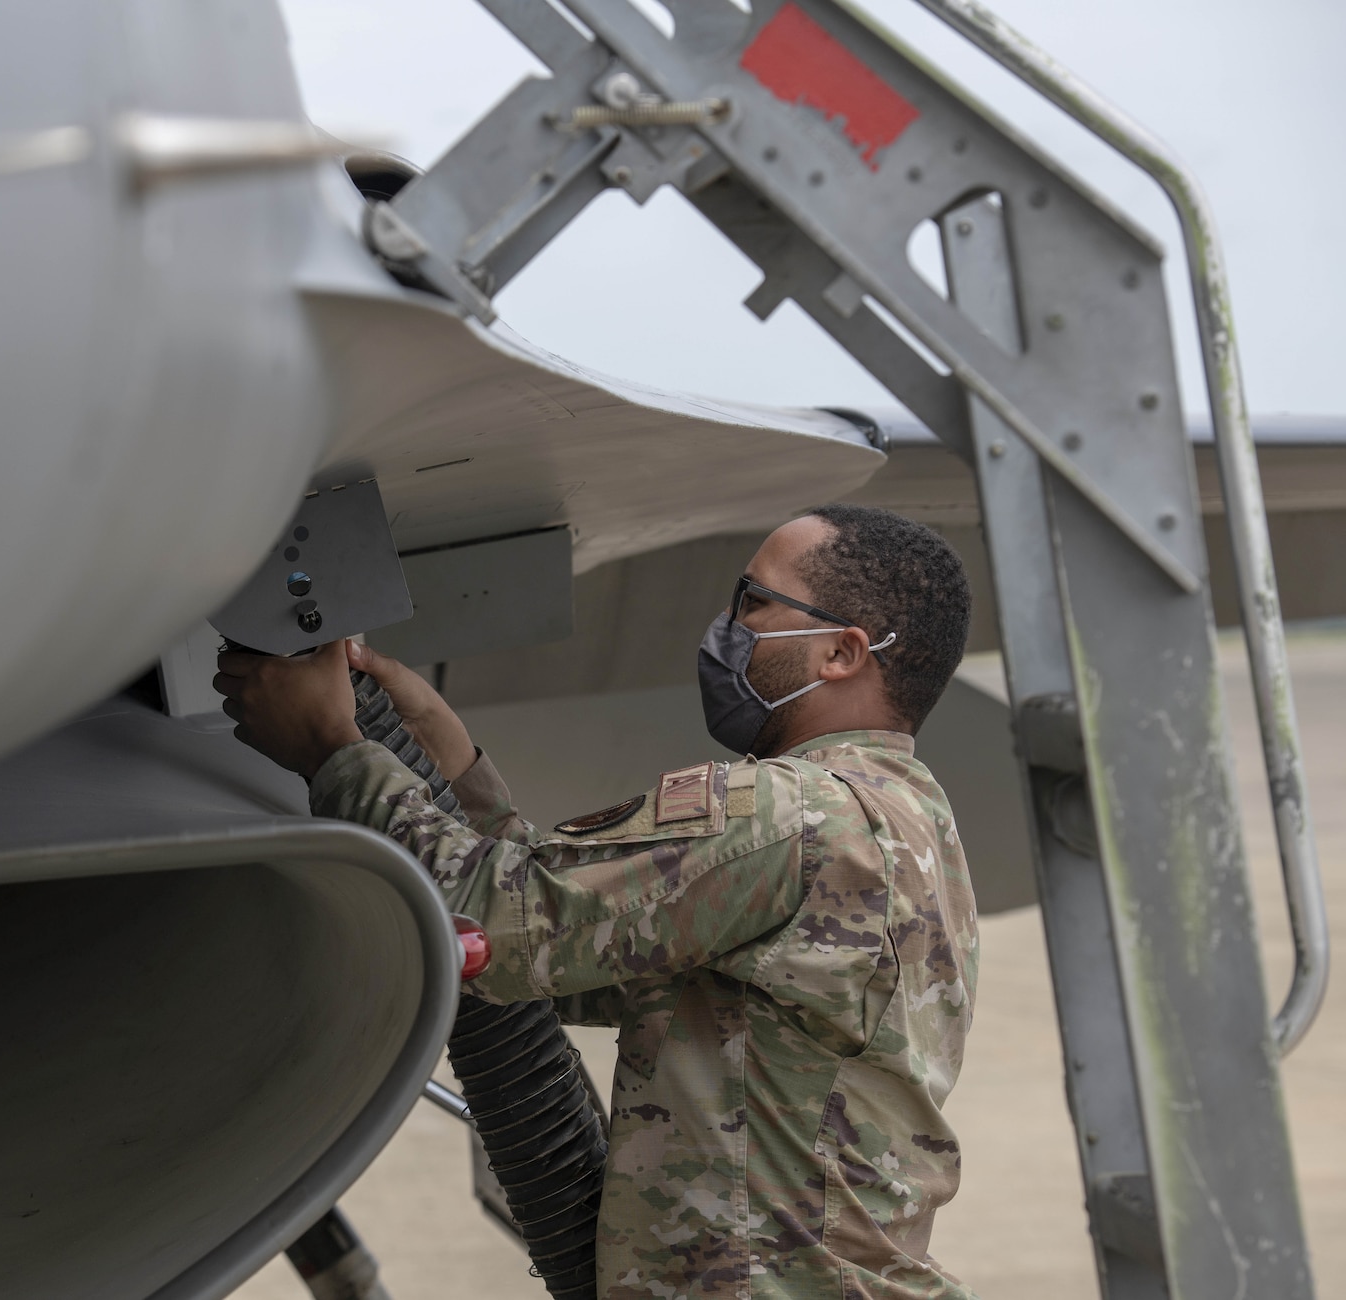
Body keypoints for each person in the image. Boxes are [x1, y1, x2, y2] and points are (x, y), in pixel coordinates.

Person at [214, 504, 979, 1299]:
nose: (726, 625)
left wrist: (334, 751)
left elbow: (497, 932)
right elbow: (580, 956)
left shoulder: (788, 815)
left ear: (842, 652)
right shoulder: (905, 821)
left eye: (753, 602)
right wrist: (452, 766)